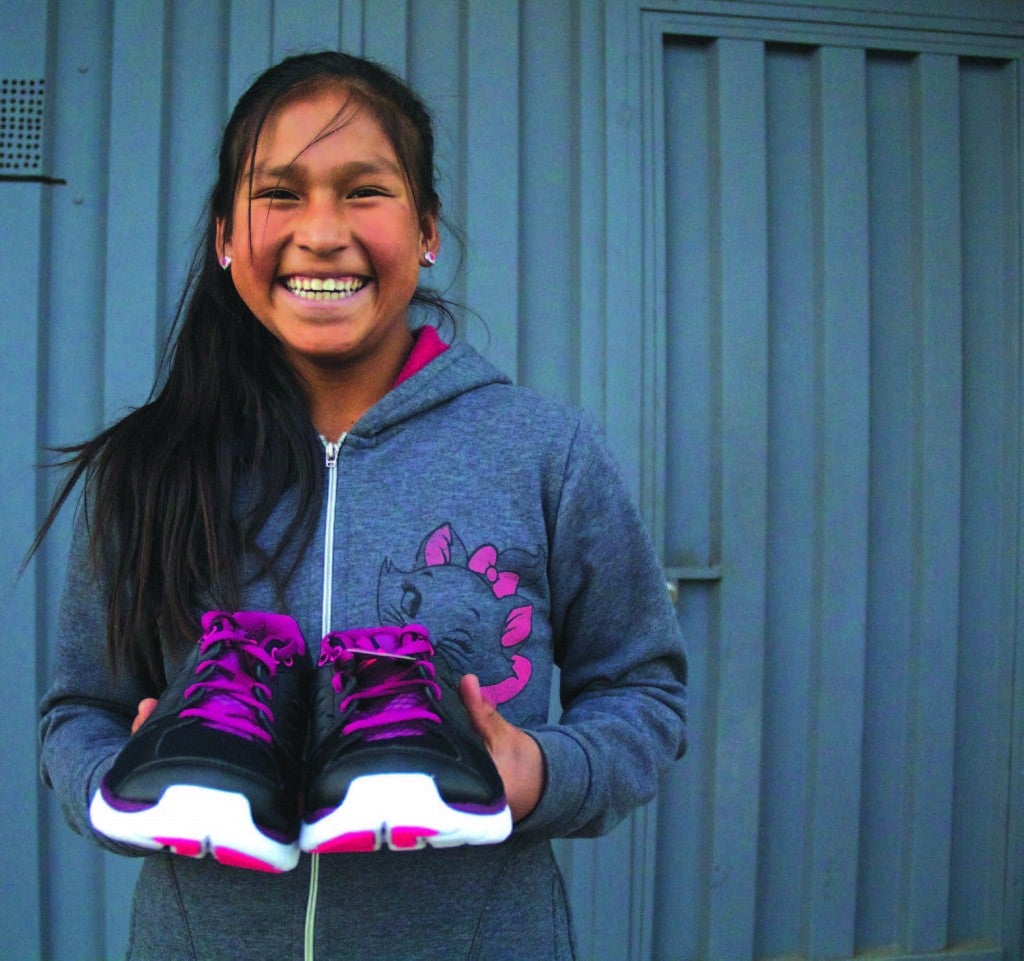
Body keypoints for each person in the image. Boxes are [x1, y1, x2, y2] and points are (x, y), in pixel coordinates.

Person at [36, 50, 687, 961]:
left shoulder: (544, 452)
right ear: (225, 236)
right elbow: (79, 709)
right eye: (279, 193)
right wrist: (118, 782)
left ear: (427, 230)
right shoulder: (151, 465)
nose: (322, 232)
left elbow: (643, 693)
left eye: (364, 191)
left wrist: (539, 772)